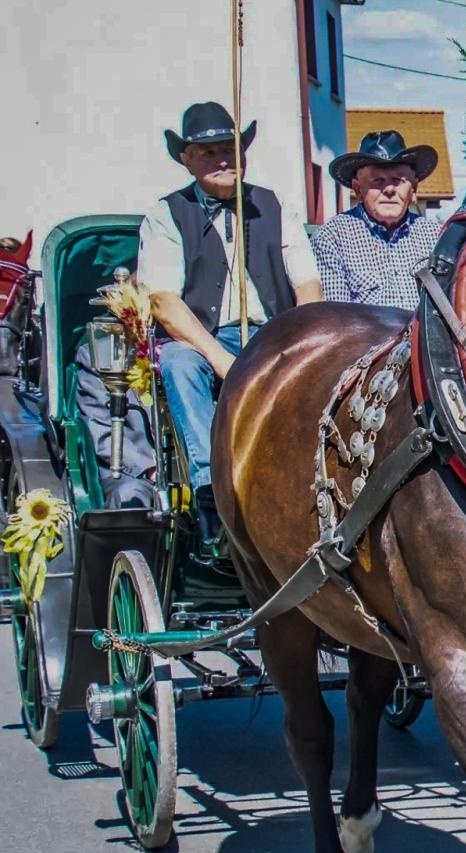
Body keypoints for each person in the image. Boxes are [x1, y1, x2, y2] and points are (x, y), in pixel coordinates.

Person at [138, 101, 321, 541]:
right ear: (186, 159)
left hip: (274, 334)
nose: (223, 159)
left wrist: (299, 341)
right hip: (202, 341)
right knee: (179, 364)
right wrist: (221, 358)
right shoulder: (166, 215)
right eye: (208, 152)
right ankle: (210, 487)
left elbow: (308, 285)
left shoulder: (274, 205)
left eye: (230, 149)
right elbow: (164, 302)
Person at [313, 130, 442, 309]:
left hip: (427, 337)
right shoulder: (332, 238)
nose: (389, 189)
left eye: (397, 180)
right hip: (363, 337)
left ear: (413, 188)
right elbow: (338, 320)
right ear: (358, 190)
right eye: (377, 181)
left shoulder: (436, 236)